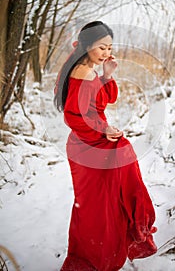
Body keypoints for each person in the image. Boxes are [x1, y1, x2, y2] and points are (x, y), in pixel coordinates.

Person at [54, 21, 157, 271]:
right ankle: (92, 257)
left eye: (110, 47)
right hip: (87, 144)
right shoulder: (81, 72)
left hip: (96, 140)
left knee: (108, 201)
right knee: (96, 206)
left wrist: (107, 76)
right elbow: (72, 116)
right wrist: (103, 129)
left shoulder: (90, 69)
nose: (107, 52)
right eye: (102, 47)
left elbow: (104, 101)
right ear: (87, 46)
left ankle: (104, 251)